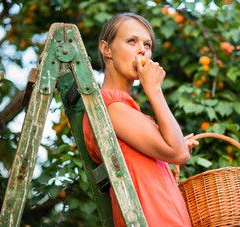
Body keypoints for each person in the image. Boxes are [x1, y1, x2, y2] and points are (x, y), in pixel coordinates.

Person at [83, 13, 198, 226]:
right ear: (106, 49)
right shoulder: (110, 105)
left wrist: (174, 147)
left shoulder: (124, 108)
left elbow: (172, 151)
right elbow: (178, 153)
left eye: (147, 44)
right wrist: (153, 89)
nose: (142, 50)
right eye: (131, 41)